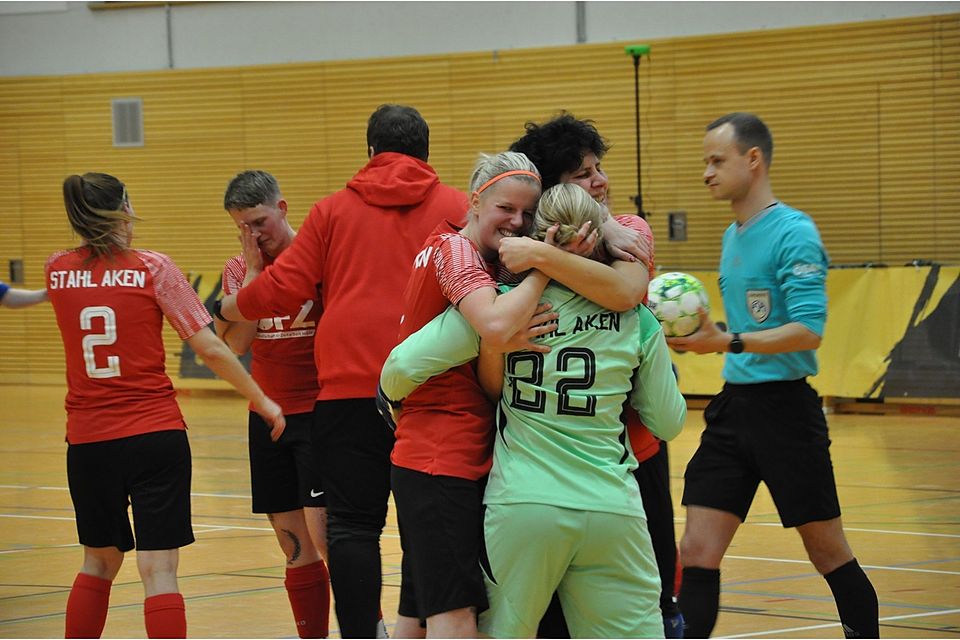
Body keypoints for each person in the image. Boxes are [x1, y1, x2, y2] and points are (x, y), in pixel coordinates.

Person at [381, 183, 687, 638]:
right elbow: (668, 421)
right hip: (611, 507)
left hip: (523, 506)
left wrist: (398, 401)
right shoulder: (636, 318)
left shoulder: (507, 307)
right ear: (601, 239)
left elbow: (399, 368)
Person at [215, 104, 468, 638]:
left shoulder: (331, 211)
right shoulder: (457, 206)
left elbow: (284, 288)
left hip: (349, 391)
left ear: (370, 152)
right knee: (429, 524)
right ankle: (418, 627)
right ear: (426, 152)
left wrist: (233, 306)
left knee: (353, 527)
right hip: (434, 390)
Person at [47, 172, 285, 639]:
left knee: (97, 562)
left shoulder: (56, 270)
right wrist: (261, 400)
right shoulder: (153, 268)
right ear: (125, 210)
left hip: (89, 441)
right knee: (159, 571)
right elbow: (213, 349)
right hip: (154, 436)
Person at [669, 112, 879, 638]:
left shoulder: (794, 233)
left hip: (786, 413)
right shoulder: (732, 236)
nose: (707, 173)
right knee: (696, 551)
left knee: (827, 550)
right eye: (705, 163)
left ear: (753, 160)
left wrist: (728, 341)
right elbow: (736, 331)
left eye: (717, 160)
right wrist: (709, 339)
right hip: (734, 408)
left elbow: (809, 330)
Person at [510, 112, 684, 636]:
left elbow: (626, 291)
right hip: (543, 470)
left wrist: (551, 251)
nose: (601, 181)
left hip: (631, 458)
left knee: (648, 608)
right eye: (584, 175)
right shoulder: (513, 252)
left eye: (599, 168)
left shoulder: (629, 229)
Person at [215, 170, 330, 639]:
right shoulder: (239, 269)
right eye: (242, 226)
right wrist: (257, 276)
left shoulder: (320, 255)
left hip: (322, 412)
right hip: (268, 416)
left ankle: (369, 627)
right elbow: (238, 341)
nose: (252, 234)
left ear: (282, 209)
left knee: (331, 540)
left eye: (259, 222)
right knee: (295, 546)